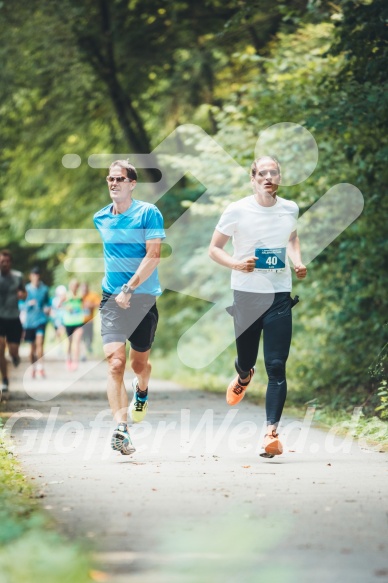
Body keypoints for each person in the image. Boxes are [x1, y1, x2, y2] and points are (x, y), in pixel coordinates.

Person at [209, 156, 307, 458]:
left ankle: (270, 434)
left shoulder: (290, 209)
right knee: (246, 358)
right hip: (247, 294)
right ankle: (243, 376)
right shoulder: (237, 210)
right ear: (253, 179)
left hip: (279, 294)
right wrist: (238, 263)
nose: (268, 178)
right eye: (262, 173)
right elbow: (214, 249)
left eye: (273, 173)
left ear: (279, 178)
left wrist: (297, 260)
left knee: (276, 365)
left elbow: (291, 239)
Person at [94, 160, 165, 455]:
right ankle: (121, 430)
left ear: (132, 183)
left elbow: (154, 254)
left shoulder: (148, 213)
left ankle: (142, 389)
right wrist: (119, 291)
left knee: (138, 366)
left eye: (120, 179)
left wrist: (130, 288)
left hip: (142, 299)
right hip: (111, 299)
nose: (114, 183)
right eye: (110, 179)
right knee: (115, 363)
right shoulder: (100, 218)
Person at [0, 250, 27, 397]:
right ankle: (5, 379)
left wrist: (22, 295)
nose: (4, 264)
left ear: (10, 263)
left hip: (13, 318)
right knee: (0, 349)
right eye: (2, 261)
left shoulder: (18, 276)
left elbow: (24, 293)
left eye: (7, 261)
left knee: (12, 351)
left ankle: (15, 357)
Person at [23, 267, 50, 378]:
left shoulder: (44, 289)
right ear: (30, 276)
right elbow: (20, 304)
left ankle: (40, 367)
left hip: (41, 320)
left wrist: (48, 308)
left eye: (38, 275)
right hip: (29, 321)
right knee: (32, 349)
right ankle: (33, 367)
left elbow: (48, 302)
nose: (36, 277)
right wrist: (28, 304)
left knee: (40, 343)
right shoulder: (26, 289)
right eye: (34, 275)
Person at [61, 279, 84, 371]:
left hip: (78, 321)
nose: (74, 287)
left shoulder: (80, 295)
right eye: (73, 285)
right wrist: (67, 307)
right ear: (70, 286)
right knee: (70, 343)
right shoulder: (66, 295)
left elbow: (83, 305)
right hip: (68, 322)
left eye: (76, 285)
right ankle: (68, 360)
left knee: (77, 341)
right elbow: (59, 305)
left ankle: (75, 362)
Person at [80, 282, 100, 355]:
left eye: (85, 289)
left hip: (90, 320)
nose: (84, 291)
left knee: (90, 336)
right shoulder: (79, 296)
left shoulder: (92, 295)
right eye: (82, 289)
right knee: (82, 337)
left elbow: (99, 304)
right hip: (80, 321)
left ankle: (89, 346)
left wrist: (90, 305)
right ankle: (83, 354)